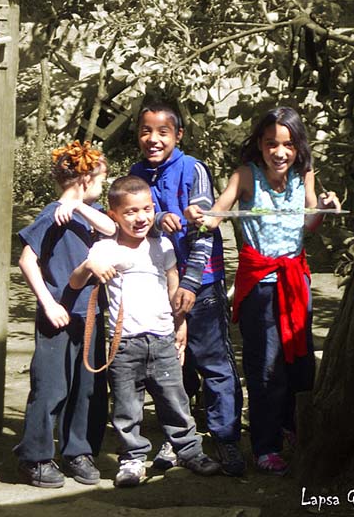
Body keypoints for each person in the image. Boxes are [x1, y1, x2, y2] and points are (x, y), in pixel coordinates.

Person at [185, 106, 341, 475]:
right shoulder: (245, 175)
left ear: (298, 146)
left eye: (287, 144)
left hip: (296, 281)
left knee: (299, 361)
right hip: (260, 286)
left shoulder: (305, 174)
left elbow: (310, 224)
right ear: (259, 144)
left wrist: (324, 206)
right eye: (271, 144)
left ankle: (292, 428)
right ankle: (265, 445)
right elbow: (216, 215)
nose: (280, 152)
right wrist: (198, 216)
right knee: (265, 365)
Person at [69, 175, 220, 487]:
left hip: (163, 338)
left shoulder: (161, 244)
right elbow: (75, 282)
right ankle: (132, 459)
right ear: (113, 216)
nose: (141, 218)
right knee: (126, 407)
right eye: (131, 212)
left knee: (175, 400)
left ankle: (189, 450)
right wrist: (89, 267)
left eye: (147, 209)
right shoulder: (105, 248)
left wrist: (180, 322)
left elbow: (172, 281)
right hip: (124, 345)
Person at [130, 100, 245, 477]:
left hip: (202, 284)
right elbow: (131, 220)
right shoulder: (136, 173)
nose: (153, 139)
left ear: (178, 135)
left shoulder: (193, 170)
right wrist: (159, 217)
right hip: (157, 287)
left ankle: (226, 437)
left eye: (163, 131)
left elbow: (204, 229)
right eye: (146, 130)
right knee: (169, 367)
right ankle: (178, 438)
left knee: (214, 363)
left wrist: (192, 283)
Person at [14, 140, 116, 488]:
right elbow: (27, 260)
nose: (103, 184)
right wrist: (48, 303)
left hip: (88, 315)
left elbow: (112, 229)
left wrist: (76, 205)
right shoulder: (50, 215)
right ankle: (36, 457)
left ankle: (78, 451)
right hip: (59, 316)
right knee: (51, 388)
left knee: (86, 387)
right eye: (101, 178)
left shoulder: (88, 212)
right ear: (86, 178)